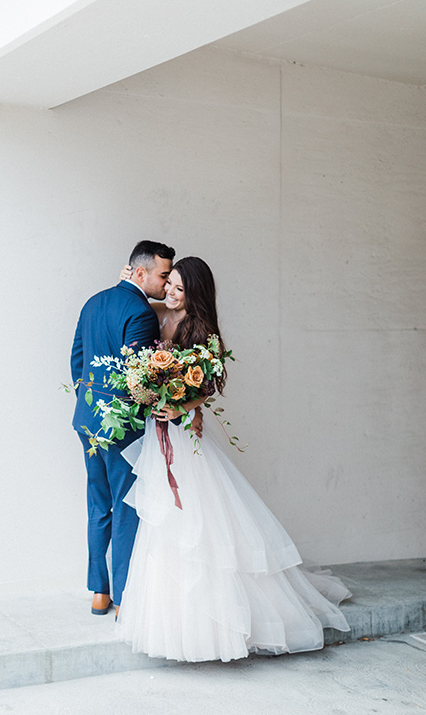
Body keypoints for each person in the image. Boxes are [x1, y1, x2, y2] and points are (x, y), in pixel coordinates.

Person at [116, 256, 351, 662]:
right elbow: (145, 300)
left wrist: (181, 407)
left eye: (179, 289)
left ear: (195, 294)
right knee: (162, 520)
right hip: (158, 439)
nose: (170, 293)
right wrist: (131, 284)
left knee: (194, 520)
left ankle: (214, 625)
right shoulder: (159, 314)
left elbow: (206, 388)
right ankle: (167, 620)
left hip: (181, 432)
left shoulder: (202, 331)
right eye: (168, 284)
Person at [70, 240, 175, 615]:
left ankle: (99, 592)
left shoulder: (93, 302)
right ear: (140, 272)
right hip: (121, 427)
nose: (166, 284)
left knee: (98, 505)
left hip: (87, 421)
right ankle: (124, 597)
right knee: (126, 506)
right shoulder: (141, 313)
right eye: (164, 276)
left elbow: (77, 360)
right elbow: (138, 379)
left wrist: (91, 405)